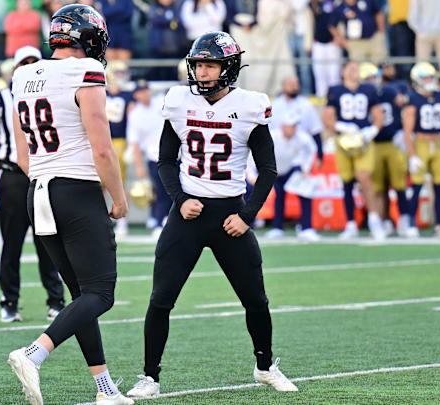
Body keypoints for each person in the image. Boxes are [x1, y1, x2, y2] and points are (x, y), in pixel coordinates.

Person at [125, 31, 296, 400]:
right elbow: (166, 161)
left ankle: (265, 367)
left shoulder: (250, 105)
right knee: (160, 299)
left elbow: (267, 169)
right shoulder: (178, 102)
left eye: (210, 65)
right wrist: (181, 198)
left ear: (229, 67)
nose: (202, 72)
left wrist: (248, 215)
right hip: (187, 213)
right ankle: (149, 377)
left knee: (256, 299)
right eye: (198, 64)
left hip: (230, 216)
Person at [9, 4, 132, 405]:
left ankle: (105, 388)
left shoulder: (23, 74)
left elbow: (23, 152)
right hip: (75, 189)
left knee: (81, 294)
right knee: (101, 294)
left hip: (38, 189)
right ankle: (34, 352)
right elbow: (102, 148)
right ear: (89, 38)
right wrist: (118, 196)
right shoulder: (85, 72)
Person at [0, 46, 64, 323]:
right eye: (23, 63)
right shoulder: (1, 99)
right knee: (10, 242)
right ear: (14, 69)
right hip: (12, 175)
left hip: (44, 173)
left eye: (33, 62)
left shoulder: (54, 93)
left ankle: (56, 300)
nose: (28, 66)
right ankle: (9, 301)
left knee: (49, 239)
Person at [323, 61, 385, 239]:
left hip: (364, 139)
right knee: (347, 181)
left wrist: (372, 130)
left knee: (364, 177)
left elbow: (378, 115)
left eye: (356, 68)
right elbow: (327, 117)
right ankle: (350, 223)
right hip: (343, 140)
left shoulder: (369, 90)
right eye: (350, 68)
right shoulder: (335, 90)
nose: (353, 71)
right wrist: (341, 126)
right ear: (343, 72)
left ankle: (374, 220)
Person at [403, 63, 440, 238]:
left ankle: (439, 225)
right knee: (417, 184)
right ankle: (411, 223)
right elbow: (407, 131)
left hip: (439, 143)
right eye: (426, 78)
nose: (430, 81)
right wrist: (412, 155)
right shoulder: (413, 99)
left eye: (431, 77)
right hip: (421, 144)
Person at [359, 62, 413, 237]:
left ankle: (404, 220)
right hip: (373, 144)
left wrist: (402, 133)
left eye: (374, 77)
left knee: (399, 183)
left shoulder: (389, 92)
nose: (372, 81)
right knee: (378, 186)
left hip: (392, 142)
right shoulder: (362, 96)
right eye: (368, 78)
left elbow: (405, 109)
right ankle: (385, 220)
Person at [264, 113, 319, 241]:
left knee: (305, 193)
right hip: (275, 169)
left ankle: (306, 228)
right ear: (283, 126)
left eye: (294, 126)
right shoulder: (273, 137)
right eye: (290, 126)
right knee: (279, 196)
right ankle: (277, 227)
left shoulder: (302, 138)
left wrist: (306, 168)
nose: (293, 129)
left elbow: (311, 151)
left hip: (293, 168)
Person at [126, 80, 170, 235]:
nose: (145, 93)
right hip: (154, 157)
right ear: (136, 95)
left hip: (174, 154)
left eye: (147, 90)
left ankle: (165, 220)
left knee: (176, 190)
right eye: (141, 91)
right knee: (160, 191)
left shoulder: (160, 103)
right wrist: (139, 166)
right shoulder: (136, 115)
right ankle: (158, 221)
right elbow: (135, 143)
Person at [104, 60, 133, 237]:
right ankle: (102, 218)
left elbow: (132, 120)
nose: (121, 77)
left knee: (118, 182)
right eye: (119, 73)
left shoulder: (128, 95)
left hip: (120, 141)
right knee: (98, 183)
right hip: (102, 141)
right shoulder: (100, 92)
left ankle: (122, 221)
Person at [270, 76, 324, 167]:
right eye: (291, 84)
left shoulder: (306, 105)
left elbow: (315, 130)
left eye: (296, 84)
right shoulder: (274, 105)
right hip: (278, 152)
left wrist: (320, 155)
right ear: (283, 87)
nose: (294, 87)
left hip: (300, 150)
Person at [408, 0, 440, 87]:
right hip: (425, 33)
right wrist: (419, 30)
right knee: (422, 65)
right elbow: (413, 13)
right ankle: (421, 91)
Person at [310, 0, 341, 98]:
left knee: (334, 73)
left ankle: (335, 97)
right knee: (319, 73)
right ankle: (321, 96)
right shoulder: (312, 4)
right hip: (318, 43)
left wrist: (340, 37)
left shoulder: (336, 3)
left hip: (333, 43)